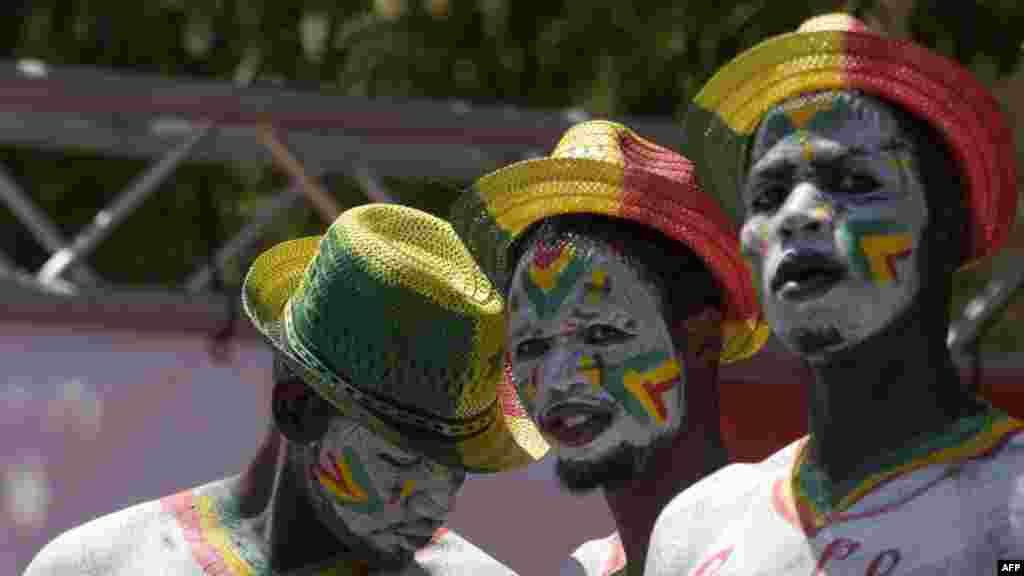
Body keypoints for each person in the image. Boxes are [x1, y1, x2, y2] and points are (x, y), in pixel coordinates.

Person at [646, 13, 1024, 575]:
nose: (798, 216)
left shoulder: (1011, 508)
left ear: (944, 231)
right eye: (769, 194)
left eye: (854, 183)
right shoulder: (695, 531)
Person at [23, 203, 548, 575]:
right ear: (298, 411)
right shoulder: (103, 567)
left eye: (455, 475)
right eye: (403, 464)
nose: (435, 503)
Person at [450, 120, 768, 575]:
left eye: (601, 334)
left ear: (700, 339)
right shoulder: (583, 570)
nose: (558, 379)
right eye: (532, 346)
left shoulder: (797, 545)